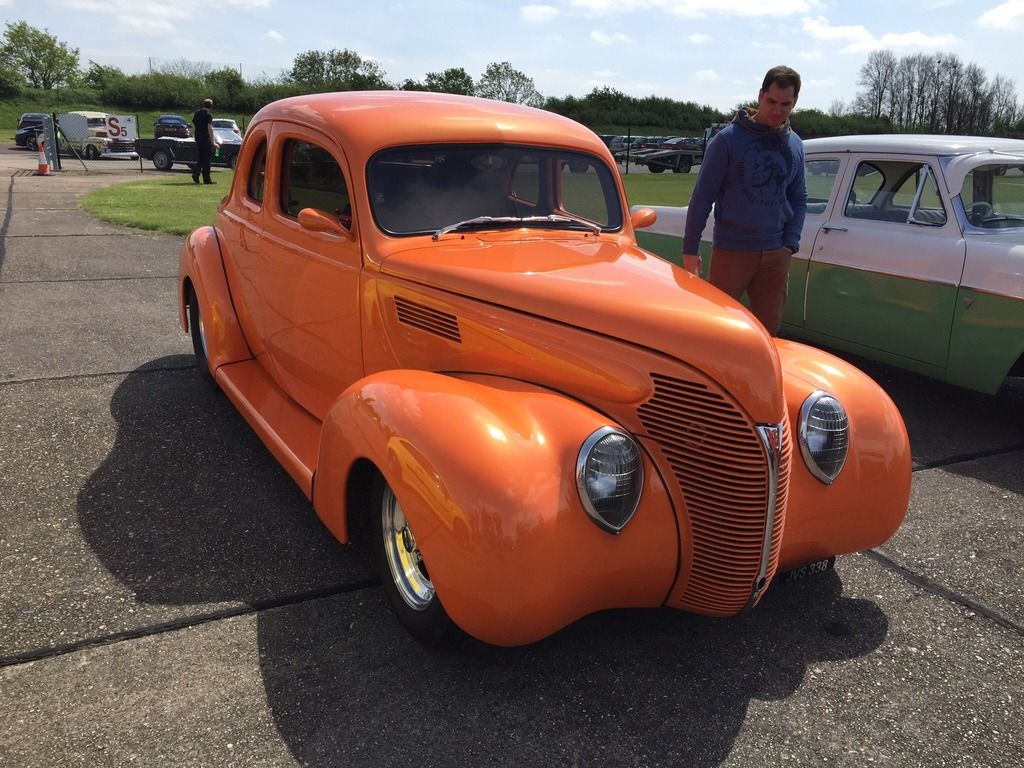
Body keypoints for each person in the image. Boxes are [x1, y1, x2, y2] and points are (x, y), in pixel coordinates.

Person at [681, 65, 807, 336]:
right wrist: (690, 250)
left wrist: (790, 243)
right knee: (717, 330)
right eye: (771, 101)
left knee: (767, 334)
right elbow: (703, 197)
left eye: (785, 104)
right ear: (760, 95)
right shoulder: (727, 140)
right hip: (732, 251)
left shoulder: (795, 144)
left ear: (795, 102)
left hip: (776, 253)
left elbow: (799, 197)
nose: (777, 110)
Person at [191, 98, 220, 185]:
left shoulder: (197, 114)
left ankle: (196, 173)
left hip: (198, 139)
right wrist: (213, 141)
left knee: (201, 158)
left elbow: (195, 125)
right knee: (207, 160)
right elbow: (209, 128)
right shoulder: (208, 115)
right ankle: (206, 179)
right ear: (211, 106)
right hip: (205, 139)